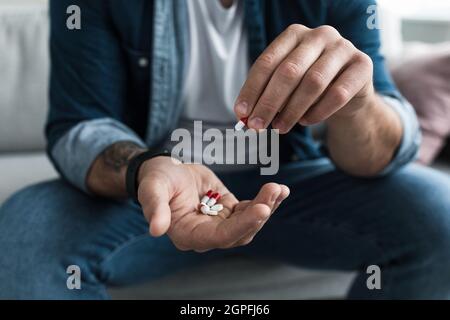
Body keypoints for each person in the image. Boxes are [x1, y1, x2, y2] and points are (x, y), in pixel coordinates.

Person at [0, 0, 449, 299]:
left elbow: (379, 154)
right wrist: (145, 170)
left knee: (440, 216)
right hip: (150, 190)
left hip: (297, 182)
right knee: (24, 237)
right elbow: (80, 125)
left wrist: (357, 105)